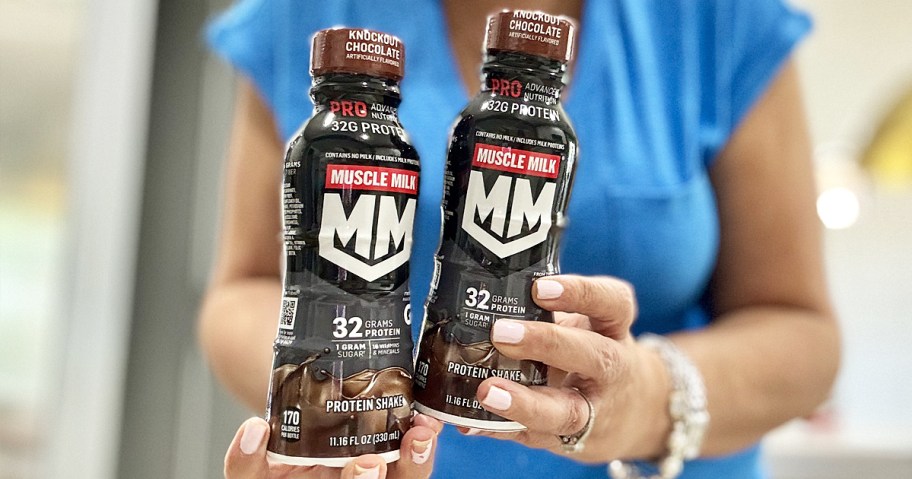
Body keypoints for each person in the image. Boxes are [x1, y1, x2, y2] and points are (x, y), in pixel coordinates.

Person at [198, 1, 841, 478]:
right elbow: (244, 287)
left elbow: (802, 332)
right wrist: (329, 402)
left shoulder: (719, 20)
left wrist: (645, 395)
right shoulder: (298, 18)